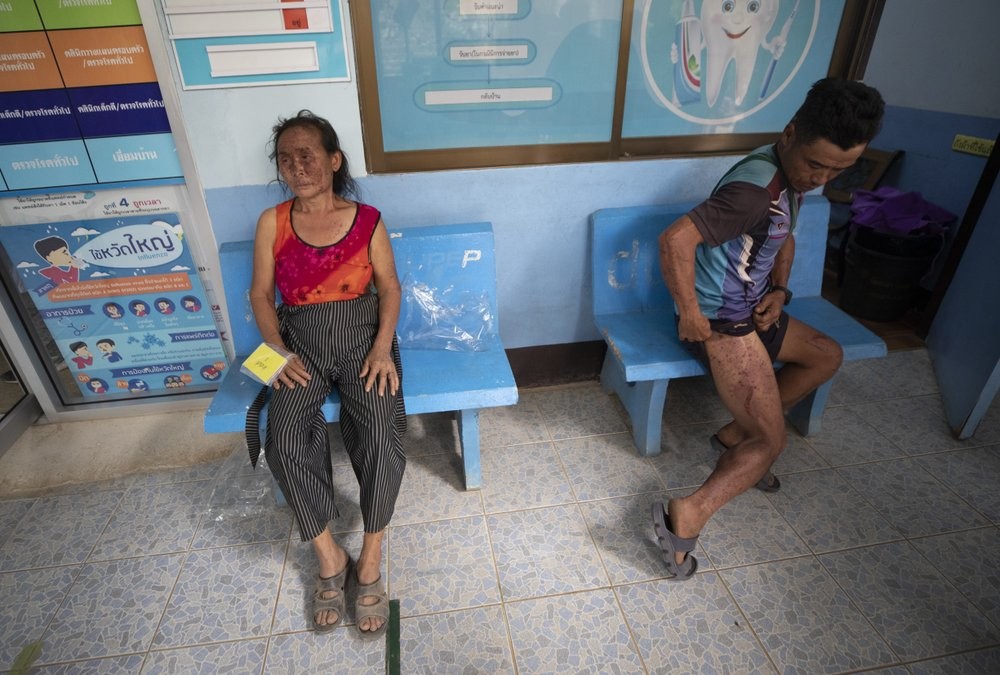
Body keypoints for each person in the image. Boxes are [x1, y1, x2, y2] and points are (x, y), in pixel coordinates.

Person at [652, 78, 884, 579]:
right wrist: (691, 313)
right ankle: (687, 512)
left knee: (826, 354)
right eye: (815, 163)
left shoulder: (789, 178)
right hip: (722, 324)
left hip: (753, 310)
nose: (820, 177)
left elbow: (783, 237)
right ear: (790, 133)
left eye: (839, 169)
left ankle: (736, 434)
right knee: (770, 443)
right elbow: (675, 240)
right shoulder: (754, 191)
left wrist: (780, 293)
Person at [249, 110, 406, 638]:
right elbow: (260, 294)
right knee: (284, 440)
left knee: (383, 433)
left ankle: (371, 559)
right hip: (300, 346)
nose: (297, 167)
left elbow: (389, 288)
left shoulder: (367, 219)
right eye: (286, 159)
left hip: (364, 339)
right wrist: (275, 349)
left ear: (334, 160)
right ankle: (330, 556)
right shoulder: (272, 221)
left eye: (307, 155)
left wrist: (383, 349)